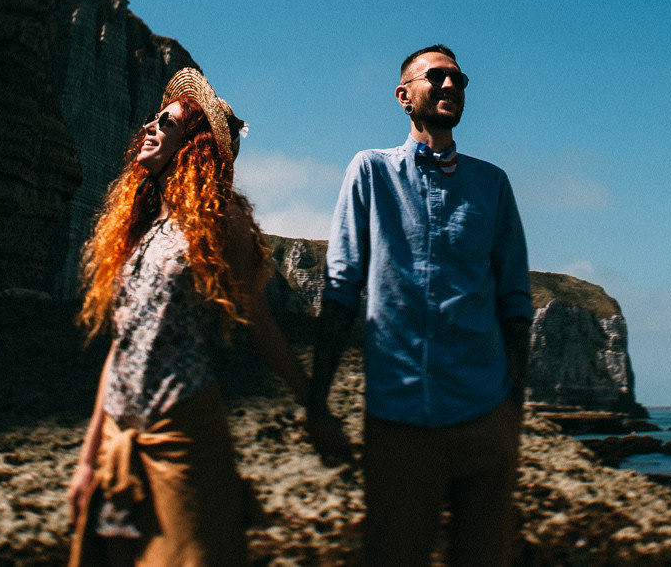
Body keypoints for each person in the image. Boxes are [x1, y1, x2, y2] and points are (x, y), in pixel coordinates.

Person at [66, 67, 351, 567]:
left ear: (195, 146)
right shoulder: (142, 225)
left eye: (168, 123)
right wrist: (88, 462)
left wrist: (315, 407)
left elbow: (260, 322)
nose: (151, 127)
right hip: (118, 437)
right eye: (154, 120)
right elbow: (121, 346)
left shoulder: (221, 219)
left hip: (181, 430)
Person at [308, 45, 532, 567]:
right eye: (437, 77)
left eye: (459, 78)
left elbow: (514, 301)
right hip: (399, 421)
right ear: (403, 96)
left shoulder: (492, 184)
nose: (452, 85)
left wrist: (511, 410)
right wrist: (318, 404)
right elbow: (341, 288)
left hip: (484, 417)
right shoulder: (370, 172)